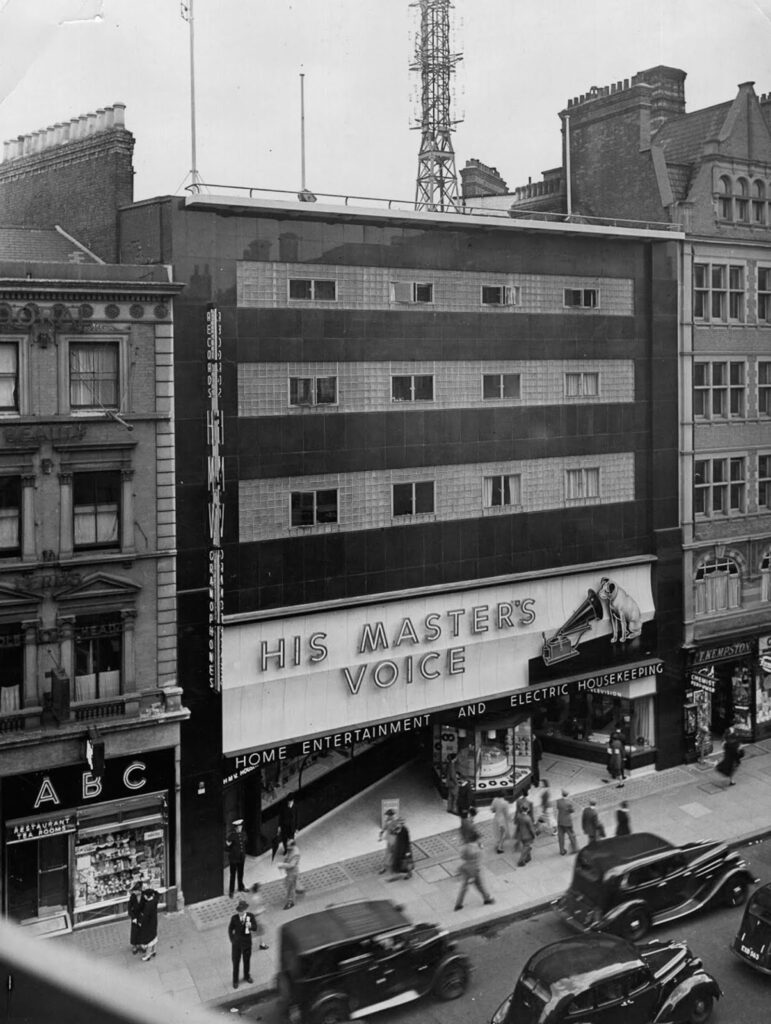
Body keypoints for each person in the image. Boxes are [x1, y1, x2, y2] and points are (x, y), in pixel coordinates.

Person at [228, 898, 262, 990]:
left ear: (245, 910)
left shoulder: (250, 917)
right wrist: (232, 939)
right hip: (237, 944)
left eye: (242, 911)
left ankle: (247, 976)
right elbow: (230, 929)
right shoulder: (234, 918)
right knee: (236, 962)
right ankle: (235, 980)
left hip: (247, 943)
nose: (241, 913)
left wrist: (250, 926)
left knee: (246, 961)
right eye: (239, 911)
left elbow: (255, 928)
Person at [454, 836, 494, 911]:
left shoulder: (466, 847)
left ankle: (458, 904)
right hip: (475, 868)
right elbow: (481, 857)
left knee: (464, 887)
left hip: (466, 868)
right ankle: (487, 899)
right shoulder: (478, 848)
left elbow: (463, 857)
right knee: (479, 885)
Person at [278, 837, 302, 908]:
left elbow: (292, 865)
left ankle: (290, 901)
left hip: (293, 872)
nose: (287, 848)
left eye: (288, 846)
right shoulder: (291, 849)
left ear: (293, 845)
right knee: (288, 883)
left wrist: (282, 865)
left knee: (290, 887)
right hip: (290, 872)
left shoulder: (296, 854)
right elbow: (286, 856)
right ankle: (297, 888)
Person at [226, 819, 248, 898]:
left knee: (240, 873)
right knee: (233, 875)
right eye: (239, 827)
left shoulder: (243, 834)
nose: (240, 828)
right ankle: (231, 891)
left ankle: (241, 887)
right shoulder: (231, 836)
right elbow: (227, 847)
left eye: (241, 826)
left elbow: (245, 843)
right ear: (236, 828)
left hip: (241, 857)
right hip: (234, 858)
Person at [137, 887, 159, 962]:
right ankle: (154, 950)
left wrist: (140, 923)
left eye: (145, 895)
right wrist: (152, 891)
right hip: (154, 921)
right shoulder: (155, 900)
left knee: (149, 939)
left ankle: (147, 955)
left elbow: (145, 918)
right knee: (154, 936)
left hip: (149, 924)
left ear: (147, 896)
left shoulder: (148, 906)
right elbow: (157, 893)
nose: (144, 896)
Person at [556, 789, 578, 855]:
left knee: (561, 836)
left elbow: (558, 808)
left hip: (560, 820)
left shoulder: (558, 801)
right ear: (567, 795)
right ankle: (574, 848)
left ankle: (562, 850)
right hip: (567, 821)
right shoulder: (569, 803)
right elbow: (572, 811)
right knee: (571, 835)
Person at [378, 808, 399, 874]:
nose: (387, 817)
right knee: (389, 854)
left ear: (391, 815)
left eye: (388, 815)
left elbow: (397, 831)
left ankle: (387, 867)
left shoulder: (395, 822)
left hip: (394, 840)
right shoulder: (389, 821)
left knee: (391, 854)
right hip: (391, 840)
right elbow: (384, 828)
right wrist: (381, 835)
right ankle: (386, 867)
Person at [128, 879, 143, 954]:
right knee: (134, 932)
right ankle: (134, 945)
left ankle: (140, 944)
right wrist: (133, 917)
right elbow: (129, 908)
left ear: (139, 890)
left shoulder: (143, 896)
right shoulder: (132, 897)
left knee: (141, 930)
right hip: (135, 916)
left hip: (141, 916)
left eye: (135, 891)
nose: (134, 892)